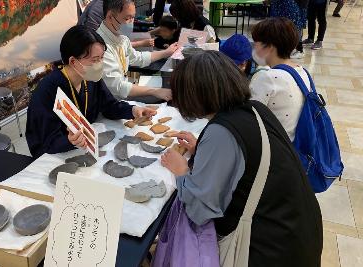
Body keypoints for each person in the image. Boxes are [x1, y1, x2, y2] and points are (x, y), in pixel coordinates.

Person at [160, 50, 323, 266]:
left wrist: (181, 171)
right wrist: (202, 148)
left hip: (270, 248)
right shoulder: (255, 109)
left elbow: (200, 210)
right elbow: (246, 158)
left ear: (195, 95)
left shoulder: (221, 132)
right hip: (301, 230)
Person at [26, 25, 156, 158]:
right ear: (73, 61)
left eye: (102, 57)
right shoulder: (47, 91)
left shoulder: (90, 78)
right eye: (95, 60)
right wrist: (68, 141)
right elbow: (43, 142)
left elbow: (109, 105)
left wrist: (132, 110)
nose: (100, 64)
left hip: (87, 146)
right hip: (57, 155)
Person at [97, 0, 178, 101]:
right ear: (110, 17)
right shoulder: (99, 46)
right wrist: (154, 91)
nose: (131, 22)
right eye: (127, 18)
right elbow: (118, 87)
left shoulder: (121, 37)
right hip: (113, 101)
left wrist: (166, 52)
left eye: (133, 17)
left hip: (123, 93)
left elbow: (137, 58)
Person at [249, 17, 311, 141]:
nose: (254, 49)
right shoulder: (302, 72)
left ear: (270, 47)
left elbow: (248, 118)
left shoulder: (267, 77)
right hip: (294, 143)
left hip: (273, 147)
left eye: (256, 44)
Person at [78, 0, 154, 49]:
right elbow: (106, 45)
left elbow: (124, 34)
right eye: (127, 18)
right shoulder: (102, 9)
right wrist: (141, 43)